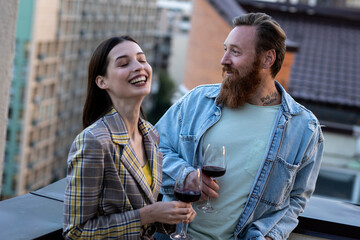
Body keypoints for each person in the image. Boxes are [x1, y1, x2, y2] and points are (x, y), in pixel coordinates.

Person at [155, 13, 324, 240]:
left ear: (267, 59)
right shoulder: (197, 101)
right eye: (226, 49)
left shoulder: (305, 129)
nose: (224, 60)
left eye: (235, 52)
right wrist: (183, 176)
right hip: (172, 235)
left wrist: (270, 236)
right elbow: (152, 149)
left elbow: (296, 200)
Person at [63, 36, 196, 240]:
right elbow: (76, 232)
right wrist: (147, 215)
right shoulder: (94, 141)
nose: (138, 67)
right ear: (102, 81)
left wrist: (170, 215)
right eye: (124, 63)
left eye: (142, 60)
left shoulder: (150, 134)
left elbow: (144, 211)